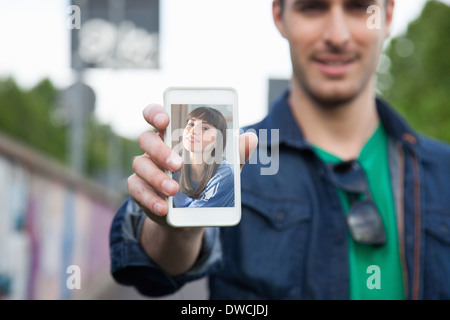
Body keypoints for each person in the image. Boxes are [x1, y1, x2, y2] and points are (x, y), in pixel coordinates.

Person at [110, 0, 450, 299]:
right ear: (279, 15)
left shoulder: (445, 172)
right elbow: (154, 269)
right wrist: (174, 225)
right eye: (312, 7)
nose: (337, 34)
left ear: (388, 14)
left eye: (359, 6)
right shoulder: (237, 159)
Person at [173, 106, 234, 208]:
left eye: (205, 128)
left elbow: (194, 218)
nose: (193, 130)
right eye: (191, 124)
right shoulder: (171, 166)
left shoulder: (227, 173)